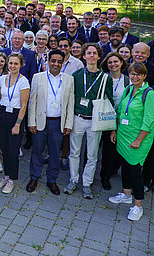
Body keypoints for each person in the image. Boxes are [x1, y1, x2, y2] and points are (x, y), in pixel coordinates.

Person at [64, 43, 113, 199]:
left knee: (92, 155)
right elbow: (71, 99)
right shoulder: (77, 75)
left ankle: (86, 183)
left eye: (94, 53)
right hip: (78, 118)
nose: (91, 56)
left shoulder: (106, 78)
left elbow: (110, 101)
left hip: (95, 121)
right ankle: (73, 180)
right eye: (88, 53)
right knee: (74, 152)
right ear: (83, 56)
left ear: (99, 56)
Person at [109, 62, 154, 221]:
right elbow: (121, 111)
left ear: (144, 76)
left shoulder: (149, 94)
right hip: (123, 135)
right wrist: (114, 130)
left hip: (138, 139)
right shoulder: (128, 89)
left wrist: (138, 140)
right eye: (132, 74)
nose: (135, 77)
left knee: (135, 171)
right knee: (126, 167)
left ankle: (138, 206)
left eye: (138, 74)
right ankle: (126, 194)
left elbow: (149, 120)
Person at [27, 49, 75, 195]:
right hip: (41, 121)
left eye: (59, 61)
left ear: (62, 63)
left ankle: (52, 180)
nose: (56, 64)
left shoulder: (68, 79)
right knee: (37, 151)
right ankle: (34, 177)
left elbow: (70, 103)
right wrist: (31, 121)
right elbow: (32, 101)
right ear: (48, 61)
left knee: (55, 153)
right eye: (53, 61)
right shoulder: (38, 77)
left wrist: (68, 123)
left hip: (58, 122)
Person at [0, 53, 30, 194]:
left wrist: (18, 123)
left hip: (15, 116)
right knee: (3, 147)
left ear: (20, 65)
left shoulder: (24, 81)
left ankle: (12, 180)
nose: (13, 66)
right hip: (3, 114)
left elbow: (24, 104)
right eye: (10, 63)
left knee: (13, 151)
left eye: (16, 63)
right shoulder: (2, 79)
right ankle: (6, 176)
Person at [100, 52, 129, 190]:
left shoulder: (127, 81)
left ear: (122, 63)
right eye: (110, 62)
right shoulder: (103, 78)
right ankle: (97, 174)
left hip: (118, 120)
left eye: (116, 61)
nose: (113, 64)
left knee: (112, 150)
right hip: (102, 117)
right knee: (100, 149)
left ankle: (107, 174)